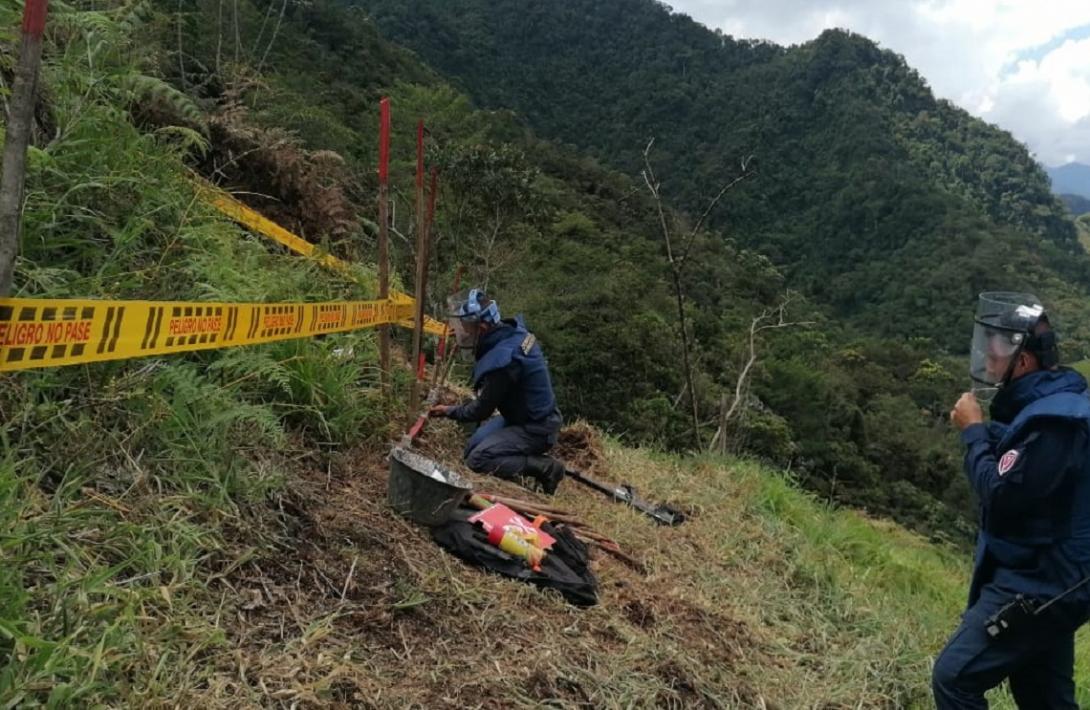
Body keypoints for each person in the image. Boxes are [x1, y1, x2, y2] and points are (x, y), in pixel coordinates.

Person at [935, 292, 1090, 708]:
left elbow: (1002, 493)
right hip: (1048, 573)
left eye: (996, 352)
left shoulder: (1056, 422)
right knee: (1043, 696)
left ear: (1023, 361)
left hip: (1044, 581)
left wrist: (972, 432)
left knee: (955, 678)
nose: (987, 359)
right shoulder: (1043, 408)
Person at [428, 289, 566, 494]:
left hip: (537, 428)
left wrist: (448, 411)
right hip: (519, 418)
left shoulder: (504, 361)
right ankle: (516, 452)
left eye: (466, 328)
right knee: (470, 450)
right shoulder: (512, 334)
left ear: (482, 327)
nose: (462, 333)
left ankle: (546, 468)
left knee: (478, 459)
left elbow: (480, 411)